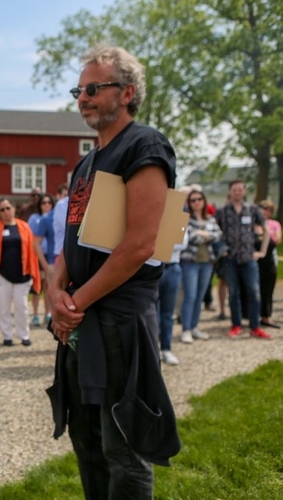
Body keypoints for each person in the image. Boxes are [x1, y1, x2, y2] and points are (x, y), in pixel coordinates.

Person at [47, 45, 181, 498]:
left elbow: (140, 244)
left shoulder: (144, 145)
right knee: (85, 440)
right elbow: (75, 239)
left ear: (126, 93)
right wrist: (53, 287)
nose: (82, 98)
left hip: (119, 320)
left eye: (91, 88)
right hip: (82, 319)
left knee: (123, 447)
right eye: (78, 90)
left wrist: (74, 304)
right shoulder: (86, 163)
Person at [0, 199, 42, 346]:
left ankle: (24, 335)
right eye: (2, 210)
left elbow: (32, 251)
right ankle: (7, 336)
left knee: (22, 307)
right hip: (1, 275)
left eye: (8, 208)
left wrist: (34, 270)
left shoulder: (25, 227)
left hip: (23, 274)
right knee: (3, 307)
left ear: (14, 208)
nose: (6, 212)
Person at [215, 180, 271, 339]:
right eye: (234, 189)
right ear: (230, 191)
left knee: (253, 291)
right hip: (229, 258)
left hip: (249, 257)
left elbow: (266, 229)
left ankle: (255, 326)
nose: (237, 192)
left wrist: (262, 251)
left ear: (244, 191)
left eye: (240, 189)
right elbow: (213, 231)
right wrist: (221, 249)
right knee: (233, 292)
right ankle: (236, 324)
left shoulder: (252, 210)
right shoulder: (222, 211)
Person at [179, 190, 222, 344]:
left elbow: (218, 235)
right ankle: (185, 329)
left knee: (200, 297)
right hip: (190, 262)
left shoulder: (210, 219)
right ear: (189, 203)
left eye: (199, 199)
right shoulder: (185, 219)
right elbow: (191, 238)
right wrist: (207, 235)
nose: (196, 202)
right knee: (189, 296)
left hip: (207, 262)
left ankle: (194, 326)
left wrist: (202, 233)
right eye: (193, 200)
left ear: (204, 201)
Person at [28, 193, 55, 327]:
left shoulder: (54, 218)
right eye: (43, 203)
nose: (46, 205)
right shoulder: (34, 218)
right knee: (37, 287)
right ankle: (35, 314)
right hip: (37, 256)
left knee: (49, 286)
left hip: (50, 255)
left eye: (49, 202)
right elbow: (30, 237)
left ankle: (48, 313)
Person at [257, 200, 280, 328]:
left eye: (266, 209)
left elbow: (277, 240)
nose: (264, 211)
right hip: (256, 261)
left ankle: (266, 316)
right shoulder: (254, 224)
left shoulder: (274, 224)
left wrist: (265, 232)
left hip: (269, 259)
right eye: (261, 208)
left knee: (267, 290)